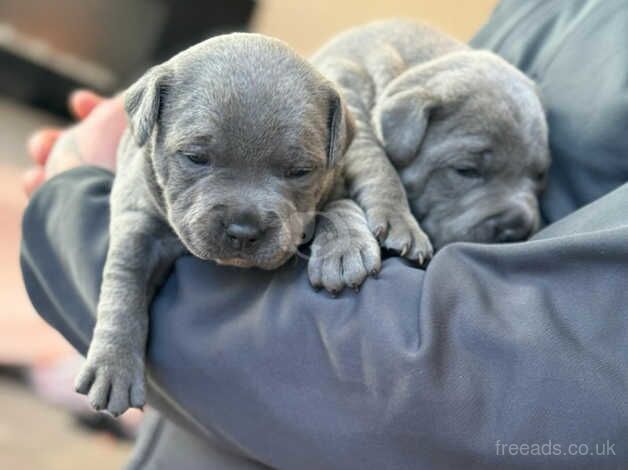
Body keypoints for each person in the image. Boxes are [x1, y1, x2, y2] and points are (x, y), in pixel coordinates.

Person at [20, 0, 628, 468]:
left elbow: (451, 370)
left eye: (296, 170)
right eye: (198, 158)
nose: (243, 216)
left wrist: (73, 202)